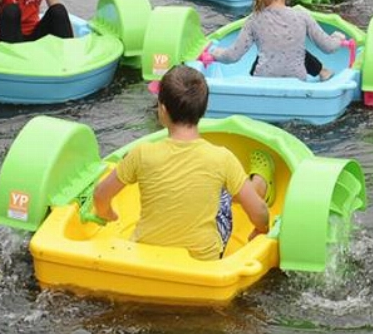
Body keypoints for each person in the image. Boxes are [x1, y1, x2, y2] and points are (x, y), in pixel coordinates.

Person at [92, 66, 272, 261]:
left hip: (145, 258)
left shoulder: (140, 154)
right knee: (223, 195)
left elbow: (100, 195)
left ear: (163, 109)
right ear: (203, 110)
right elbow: (260, 213)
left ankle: (250, 188)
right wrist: (261, 230)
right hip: (202, 261)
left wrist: (107, 213)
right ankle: (258, 186)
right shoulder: (222, 158)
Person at [209, 0, 348, 82]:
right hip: (297, 81)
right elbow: (329, 47)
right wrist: (338, 37)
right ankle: (323, 71)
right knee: (294, 50)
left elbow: (232, 56)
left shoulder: (254, 20)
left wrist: (214, 52)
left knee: (268, 55)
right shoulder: (302, 16)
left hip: (262, 82)